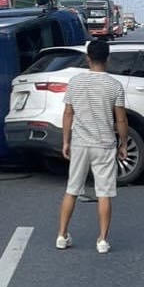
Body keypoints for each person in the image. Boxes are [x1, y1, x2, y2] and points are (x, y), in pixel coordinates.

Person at [57, 39, 128, 254]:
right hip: (105, 144)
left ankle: (62, 235)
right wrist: (123, 143)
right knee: (104, 192)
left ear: (87, 58)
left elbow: (68, 113)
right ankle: (102, 241)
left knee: (72, 189)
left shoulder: (75, 82)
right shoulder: (115, 85)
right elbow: (121, 120)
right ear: (108, 59)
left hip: (79, 143)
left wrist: (66, 141)